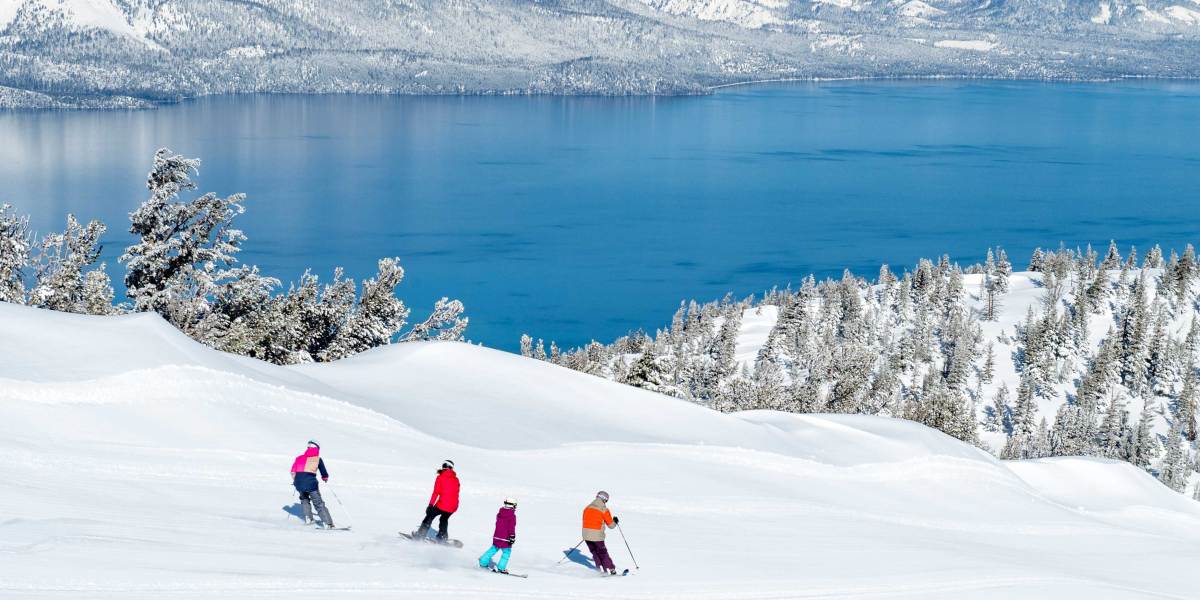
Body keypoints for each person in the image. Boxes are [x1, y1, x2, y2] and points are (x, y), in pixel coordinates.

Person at [290, 440, 335, 528]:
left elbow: (292, 471)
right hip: (311, 484)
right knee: (318, 503)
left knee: (304, 500)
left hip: (299, 483)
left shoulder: (299, 458)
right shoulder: (318, 459)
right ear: (317, 449)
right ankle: (328, 523)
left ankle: (308, 518)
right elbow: (323, 472)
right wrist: (325, 478)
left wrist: (296, 481)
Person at [413, 460, 459, 542]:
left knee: (429, 516)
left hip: (443, 504)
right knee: (444, 519)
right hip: (453, 506)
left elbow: (436, 493)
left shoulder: (440, 477)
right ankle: (442, 537)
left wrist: (430, 505)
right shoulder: (456, 479)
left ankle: (420, 535)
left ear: (444, 466)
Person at [582, 490, 619, 575]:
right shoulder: (603, 509)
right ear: (604, 499)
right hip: (597, 536)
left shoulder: (587, 508)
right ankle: (611, 569)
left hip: (586, 535)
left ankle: (599, 569)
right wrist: (615, 521)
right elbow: (611, 526)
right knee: (602, 552)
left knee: (594, 552)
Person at [478, 498, 518, 573]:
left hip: (497, 536)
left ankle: (483, 561)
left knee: (493, 549)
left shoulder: (500, 513)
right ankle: (501, 567)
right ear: (513, 506)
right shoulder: (512, 516)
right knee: (506, 552)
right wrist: (512, 536)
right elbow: (511, 527)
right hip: (505, 538)